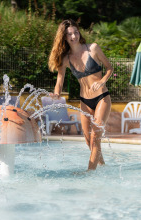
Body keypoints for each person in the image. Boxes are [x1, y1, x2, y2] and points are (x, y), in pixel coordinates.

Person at [48, 19, 113, 170]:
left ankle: (89, 172)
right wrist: (57, 93)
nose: (74, 36)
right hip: (84, 101)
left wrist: (102, 81)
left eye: (76, 32)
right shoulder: (66, 59)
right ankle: (102, 166)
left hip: (102, 98)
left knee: (95, 137)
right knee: (87, 140)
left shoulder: (93, 49)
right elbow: (60, 80)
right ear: (64, 37)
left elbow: (109, 68)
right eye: (70, 34)